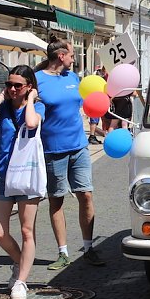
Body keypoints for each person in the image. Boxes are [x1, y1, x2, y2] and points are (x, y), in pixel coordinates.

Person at [0, 65, 45, 299]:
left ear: (29, 86)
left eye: (18, 85)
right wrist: (0, 97)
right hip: (2, 174)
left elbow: (32, 123)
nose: (13, 89)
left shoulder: (37, 106)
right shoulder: (4, 105)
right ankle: (19, 262)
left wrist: (31, 100)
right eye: (9, 84)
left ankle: (21, 281)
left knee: (27, 229)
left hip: (27, 175)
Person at [35, 37, 103, 270]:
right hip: (54, 150)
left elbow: (88, 102)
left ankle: (88, 248)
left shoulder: (73, 78)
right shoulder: (38, 80)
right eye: (72, 54)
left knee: (86, 195)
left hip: (79, 147)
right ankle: (63, 252)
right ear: (61, 56)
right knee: (57, 200)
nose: (75, 58)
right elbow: (34, 109)